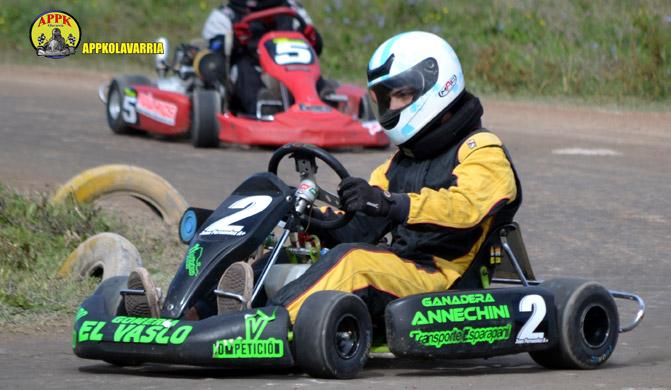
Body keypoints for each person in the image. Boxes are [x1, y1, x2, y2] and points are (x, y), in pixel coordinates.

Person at [125, 31, 522, 324]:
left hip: (442, 276)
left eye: (400, 95)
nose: (392, 106)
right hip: (402, 265)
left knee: (352, 262)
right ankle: (186, 315)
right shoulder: (399, 163)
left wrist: (393, 204)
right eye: (387, 99)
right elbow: (361, 227)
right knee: (294, 253)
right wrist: (315, 216)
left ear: (436, 85)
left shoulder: (480, 149)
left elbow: (468, 208)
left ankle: (261, 325)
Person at [201, 0, 323, 115]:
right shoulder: (224, 16)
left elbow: (315, 47)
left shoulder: (292, 10)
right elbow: (214, 52)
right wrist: (234, 40)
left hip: (292, 65)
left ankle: (322, 102)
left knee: (308, 69)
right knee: (244, 68)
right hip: (251, 67)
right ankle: (263, 109)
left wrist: (312, 38)